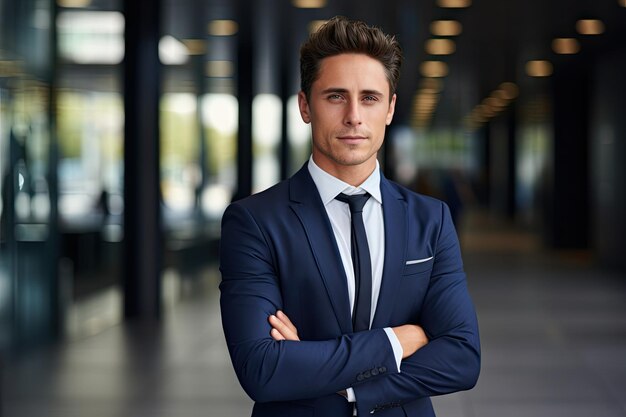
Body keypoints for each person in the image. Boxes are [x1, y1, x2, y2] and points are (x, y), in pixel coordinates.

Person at [219, 16, 480, 417]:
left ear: (390, 109)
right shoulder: (254, 222)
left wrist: (341, 384)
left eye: (370, 98)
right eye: (336, 96)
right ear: (306, 106)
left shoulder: (432, 219)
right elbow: (263, 368)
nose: (354, 116)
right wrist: (397, 341)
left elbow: (462, 357)